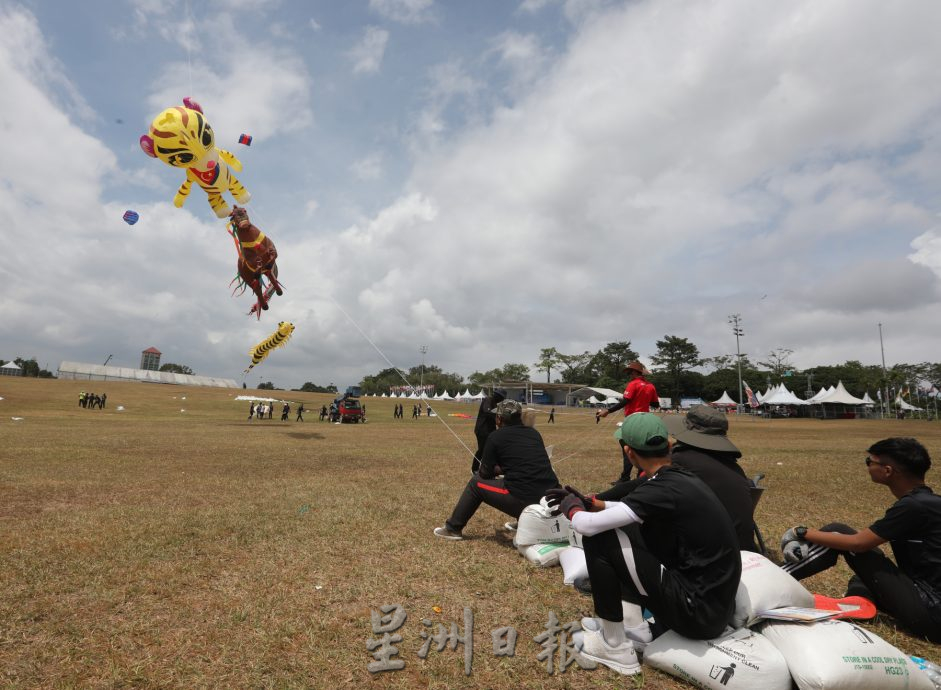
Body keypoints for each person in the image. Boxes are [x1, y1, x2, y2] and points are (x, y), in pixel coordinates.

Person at [548, 413, 741, 675]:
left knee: (600, 537)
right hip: (713, 610)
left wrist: (572, 508)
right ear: (669, 448)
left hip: (695, 614)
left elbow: (586, 526)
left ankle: (614, 645)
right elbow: (630, 510)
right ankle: (635, 628)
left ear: (629, 453)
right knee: (624, 527)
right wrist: (592, 504)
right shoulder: (679, 479)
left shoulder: (662, 487)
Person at [781, 437, 941, 643]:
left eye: (870, 462)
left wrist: (800, 531)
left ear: (888, 471)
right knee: (861, 575)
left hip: (932, 614)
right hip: (929, 600)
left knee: (838, 533)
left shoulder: (913, 507)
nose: (867, 466)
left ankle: (772, 579)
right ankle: (859, 602)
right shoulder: (928, 503)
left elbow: (857, 543)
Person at [596, 404, 758, 552]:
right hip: (742, 548)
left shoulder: (680, 460)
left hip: (710, 554)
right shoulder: (733, 466)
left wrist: (595, 499)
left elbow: (635, 487)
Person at [434, 400, 560, 540]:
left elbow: (485, 473)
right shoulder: (534, 433)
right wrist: (507, 468)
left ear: (499, 419)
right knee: (520, 480)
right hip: (550, 497)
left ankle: (453, 528)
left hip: (524, 498)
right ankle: (525, 521)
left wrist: (499, 469)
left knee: (476, 484)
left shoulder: (495, 436)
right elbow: (525, 465)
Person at [597, 361, 660, 481]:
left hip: (632, 420)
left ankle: (625, 478)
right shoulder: (650, 386)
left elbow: (625, 401)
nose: (630, 374)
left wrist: (608, 411)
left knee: (627, 449)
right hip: (645, 421)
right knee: (641, 449)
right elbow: (655, 404)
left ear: (636, 372)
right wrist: (643, 399)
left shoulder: (633, 384)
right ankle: (640, 477)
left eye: (630, 372)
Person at [472, 389, 506, 474]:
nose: (501, 400)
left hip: (490, 430)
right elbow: (487, 412)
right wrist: (498, 417)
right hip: (482, 429)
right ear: (497, 396)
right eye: (501, 398)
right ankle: (474, 468)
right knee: (482, 450)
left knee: (491, 449)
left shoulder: (495, 404)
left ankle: (489, 468)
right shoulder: (488, 400)